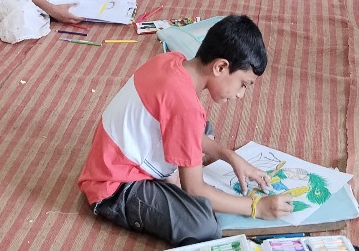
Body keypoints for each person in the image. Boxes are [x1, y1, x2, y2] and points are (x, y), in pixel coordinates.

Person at [79, 14, 292, 246]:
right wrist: (256, 207)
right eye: (243, 84)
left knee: (203, 127)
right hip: (114, 187)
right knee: (203, 225)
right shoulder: (186, 107)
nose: (240, 94)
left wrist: (229, 156)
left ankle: (175, 176)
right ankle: (170, 182)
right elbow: (194, 188)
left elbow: (183, 125)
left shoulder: (173, 60)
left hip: (113, 157)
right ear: (220, 66)